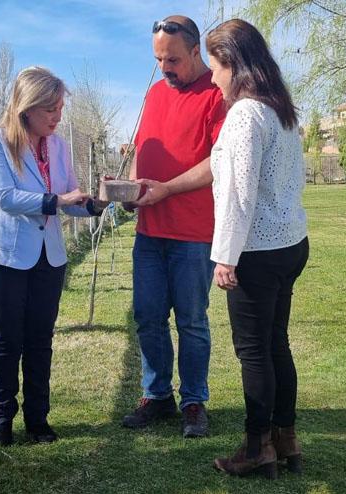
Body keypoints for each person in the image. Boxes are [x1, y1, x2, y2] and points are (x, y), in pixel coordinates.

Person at [0, 67, 103, 445]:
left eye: (60, 109)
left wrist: (95, 204)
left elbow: (66, 197)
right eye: (51, 109)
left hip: (48, 258)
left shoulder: (58, 146)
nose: (58, 117)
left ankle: (38, 420)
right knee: (4, 341)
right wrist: (57, 200)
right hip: (2, 257)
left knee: (39, 340)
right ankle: (2, 422)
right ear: (27, 107)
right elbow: (5, 197)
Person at [204, 19, 310, 478]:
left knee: (253, 350)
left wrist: (225, 254)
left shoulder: (246, 114)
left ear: (233, 63)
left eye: (215, 67)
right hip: (289, 243)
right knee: (275, 343)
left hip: (258, 250)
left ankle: (256, 446)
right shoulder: (280, 109)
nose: (212, 77)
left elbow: (239, 193)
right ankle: (285, 438)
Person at [118, 15, 226, 438]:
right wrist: (128, 191)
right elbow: (145, 151)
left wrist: (167, 189)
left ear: (196, 51)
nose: (165, 67)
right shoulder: (154, 94)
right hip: (149, 230)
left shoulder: (216, 95)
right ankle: (157, 396)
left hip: (193, 233)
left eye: (173, 59)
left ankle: (194, 401)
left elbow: (219, 162)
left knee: (192, 321)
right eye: (159, 59)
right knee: (147, 317)